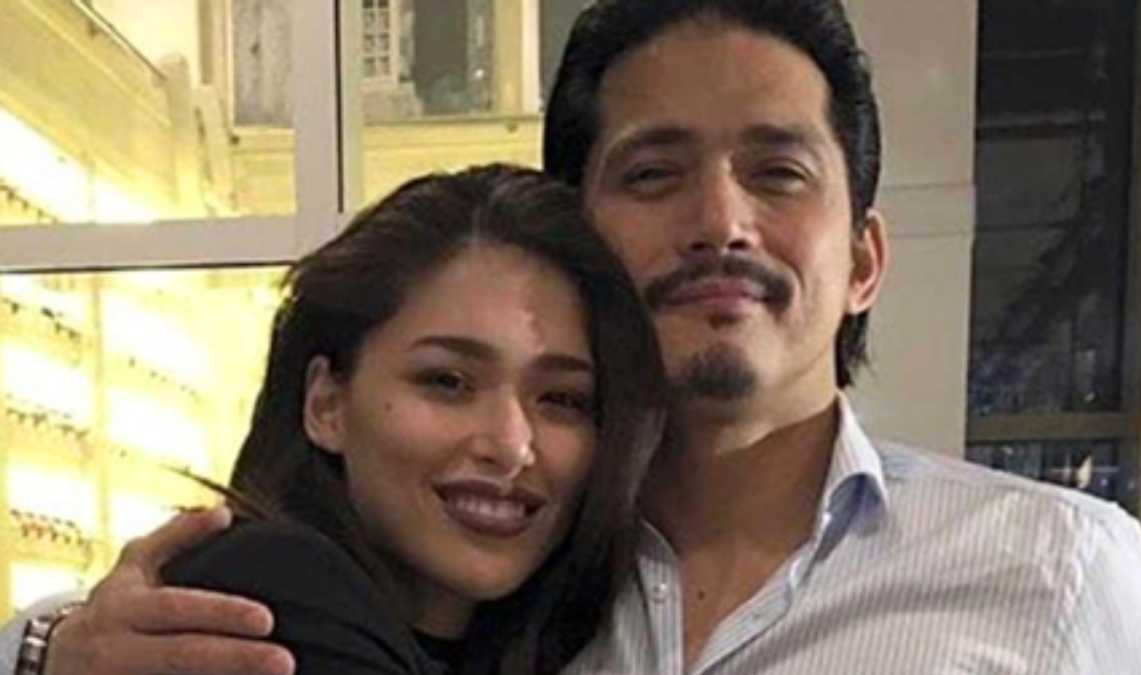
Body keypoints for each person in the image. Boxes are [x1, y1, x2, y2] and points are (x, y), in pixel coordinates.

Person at [4, 0, 1141, 673]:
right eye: (654, 171)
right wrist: (49, 646)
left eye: (778, 171)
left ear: (865, 259)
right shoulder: (499, 575)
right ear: (582, 230)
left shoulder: (1056, 574)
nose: (720, 221)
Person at [3, 163, 668, 675]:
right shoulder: (271, 595)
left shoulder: (515, 638)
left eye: (562, 400)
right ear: (326, 403)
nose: (511, 444)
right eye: (446, 382)